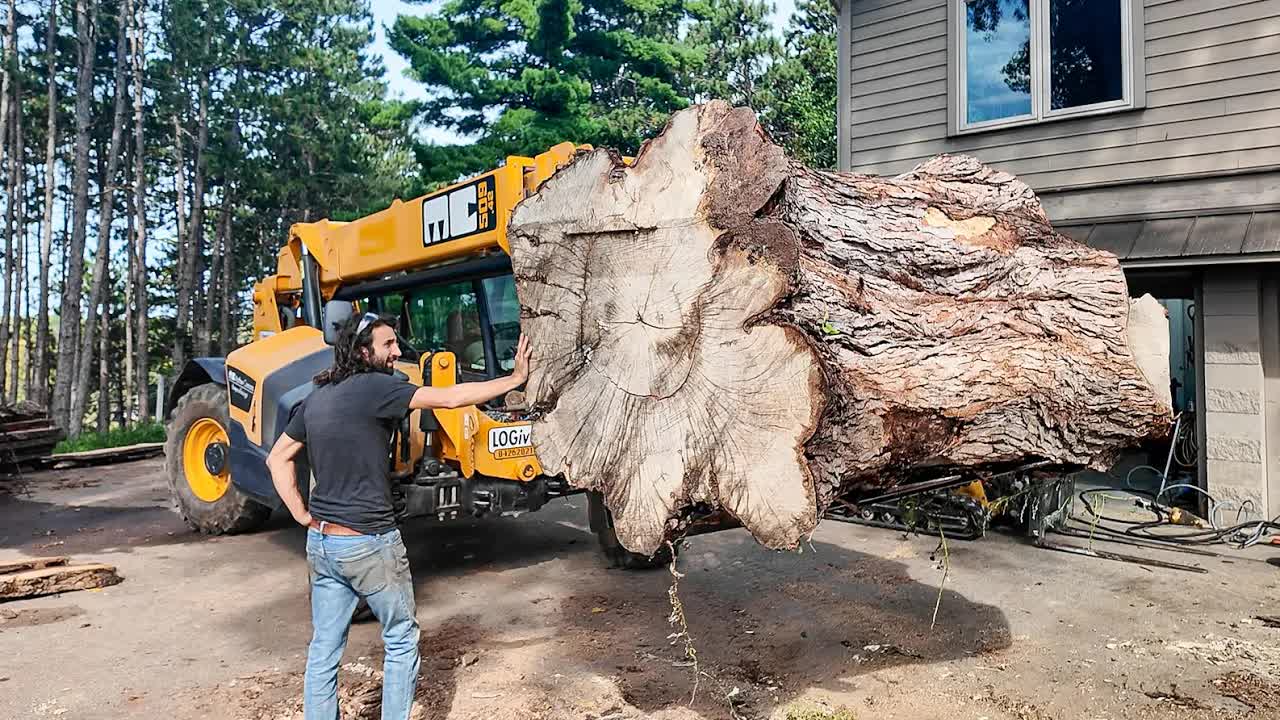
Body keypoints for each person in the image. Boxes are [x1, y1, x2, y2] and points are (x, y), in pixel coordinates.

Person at [266, 311, 532, 720]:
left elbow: (277, 458)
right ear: (363, 352)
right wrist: (513, 380)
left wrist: (303, 515)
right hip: (369, 542)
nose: (396, 352)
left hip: (323, 543)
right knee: (401, 638)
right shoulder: (378, 388)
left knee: (323, 649)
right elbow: (450, 398)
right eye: (388, 344)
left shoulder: (316, 397)